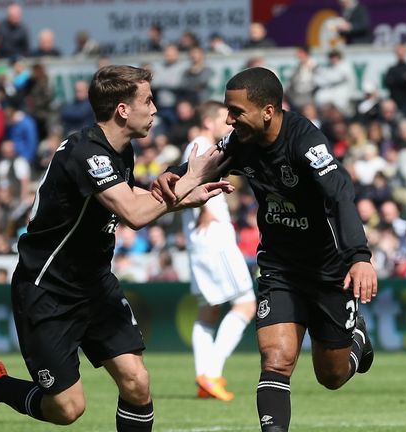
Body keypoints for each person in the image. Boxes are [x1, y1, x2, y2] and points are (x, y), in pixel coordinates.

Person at [0, 65, 232, 431]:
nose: (155, 109)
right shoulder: (87, 153)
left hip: (95, 285)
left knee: (137, 382)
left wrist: (184, 199)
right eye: (148, 100)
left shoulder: (118, 151)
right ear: (123, 109)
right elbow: (135, 213)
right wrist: (191, 178)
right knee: (67, 409)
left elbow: (130, 196)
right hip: (48, 289)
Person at [152, 67, 376, 432]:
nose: (228, 119)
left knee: (331, 376)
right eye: (227, 109)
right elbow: (207, 163)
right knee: (275, 359)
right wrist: (172, 173)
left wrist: (360, 257)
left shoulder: (305, 141)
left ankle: (357, 339)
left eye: (236, 111)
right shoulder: (240, 141)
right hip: (279, 267)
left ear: (267, 111)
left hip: (327, 269)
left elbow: (340, 194)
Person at [181, 101, 257, 402]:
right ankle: (212, 372)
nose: (229, 126)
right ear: (209, 122)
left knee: (208, 311)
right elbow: (196, 180)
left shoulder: (193, 145)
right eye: (224, 122)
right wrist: (206, 208)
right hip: (214, 237)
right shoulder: (202, 144)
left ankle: (204, 377)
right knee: (246, 304)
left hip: (199, 240)